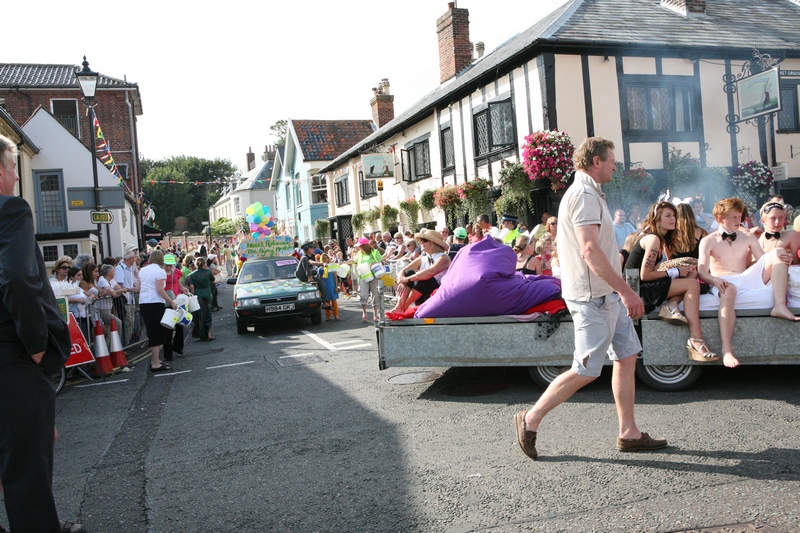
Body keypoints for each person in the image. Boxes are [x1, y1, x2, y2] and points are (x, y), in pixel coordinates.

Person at [515, 136, 666, 461]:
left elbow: (599, 249)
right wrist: (627, 292)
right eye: (611, 158)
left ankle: (629, 433)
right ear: (596, 161)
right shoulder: (583, 194)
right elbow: (589, 249)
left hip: (606, 295)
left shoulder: (589, 192)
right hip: (593, 297)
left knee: (626, 357)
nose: (615, 164)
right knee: (586, 369)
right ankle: (530, 418)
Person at [0, 134, 83, 532]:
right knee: (27, 461)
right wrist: (36, 347)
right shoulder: (10, 211)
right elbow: (17, 278)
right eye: (14, 167)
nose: (17, 178)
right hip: (13, 355)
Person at [697, 197, 799, 368]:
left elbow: (761, 261)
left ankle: (779, 306)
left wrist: (782, 258)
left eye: (740, 216)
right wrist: (714, 280)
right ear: (720, 219)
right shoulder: (708, 240)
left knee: (778, 252)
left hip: (745, 277)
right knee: (729, 291)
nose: (740, 220)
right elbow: (701, 271)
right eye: (734, 217)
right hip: (722, 281)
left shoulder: (747, 236)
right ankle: (727, 350)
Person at [624, 201, 717, 362]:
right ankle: (696, 339)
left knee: (692, 272)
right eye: (668, 215)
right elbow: (645, 275)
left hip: (643, 286)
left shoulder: (659, 239)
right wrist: (676, 271)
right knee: (692, 284)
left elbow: (656, 272)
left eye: (674, 215)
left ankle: (672, 305)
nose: (673, 218)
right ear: (657, 220)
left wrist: (680, 272)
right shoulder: (653, 239)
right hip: (639, 290)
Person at [391, 229, 451, 315]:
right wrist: (401, 280)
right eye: (421, 240)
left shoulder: (444, 257)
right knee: (409, 273)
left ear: (434, 243)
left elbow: (430, 272)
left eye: (425, 240)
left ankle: (403, 307)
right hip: (423, 294)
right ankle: (399, 306)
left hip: (438, 297)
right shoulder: (423, 258)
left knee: (423, 276)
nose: (421, 242)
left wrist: (407, 280)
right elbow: (403, 270)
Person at [138, 250, 178, 371]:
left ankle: (156, 360)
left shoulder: (143, 270)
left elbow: (138, 287)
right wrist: (171, 302)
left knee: (152, 331)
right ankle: (156, 363)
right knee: (157, 332)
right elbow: (160, 290)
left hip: (143, 303)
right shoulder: (160, 271)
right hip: (155, 303)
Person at [162, 253, 188, 361]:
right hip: (166, 302)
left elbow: (179, 285)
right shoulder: (160, 273)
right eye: (167, 265)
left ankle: (178, 347)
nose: (169, 267)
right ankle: (168, 354)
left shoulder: (177, 272)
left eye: (170, 265)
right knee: (168, 327)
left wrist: (184, 290)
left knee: (180, 325)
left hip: (177, 300)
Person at [351, 237, 384, 323]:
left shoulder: (374, 252)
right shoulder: (359, 254)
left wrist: (373, 263)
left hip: (374, 275)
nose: (359, 247)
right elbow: (353, 261)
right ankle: (364, 313)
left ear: (364, 246)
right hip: (363, 276)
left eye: (360, 246)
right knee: (363, 295)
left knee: (375, 294)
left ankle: (375, 314)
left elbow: (381, 261)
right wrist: (342, 263)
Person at [187, 257, 216, 342]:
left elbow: (191, 287)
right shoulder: (208, 272)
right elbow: (213, 281)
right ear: (204, 264)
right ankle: (209, 334)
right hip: (207, 293)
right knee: (208, 313)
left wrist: (192, 296)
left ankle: (202, 334)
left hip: (198, 295)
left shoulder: (192, 275)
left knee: (200, 315)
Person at [319, 255, 340, 321]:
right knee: (326, 301)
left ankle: (336, 315)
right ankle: (328, 316)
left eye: (326, 258)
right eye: (324, 258)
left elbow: (335, 277)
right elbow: (320, 278)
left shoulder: (332, 267)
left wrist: (336, 286)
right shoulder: (320, 268)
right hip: (325, 286)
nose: (325, 260)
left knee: (334, 301)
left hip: (332, 286)